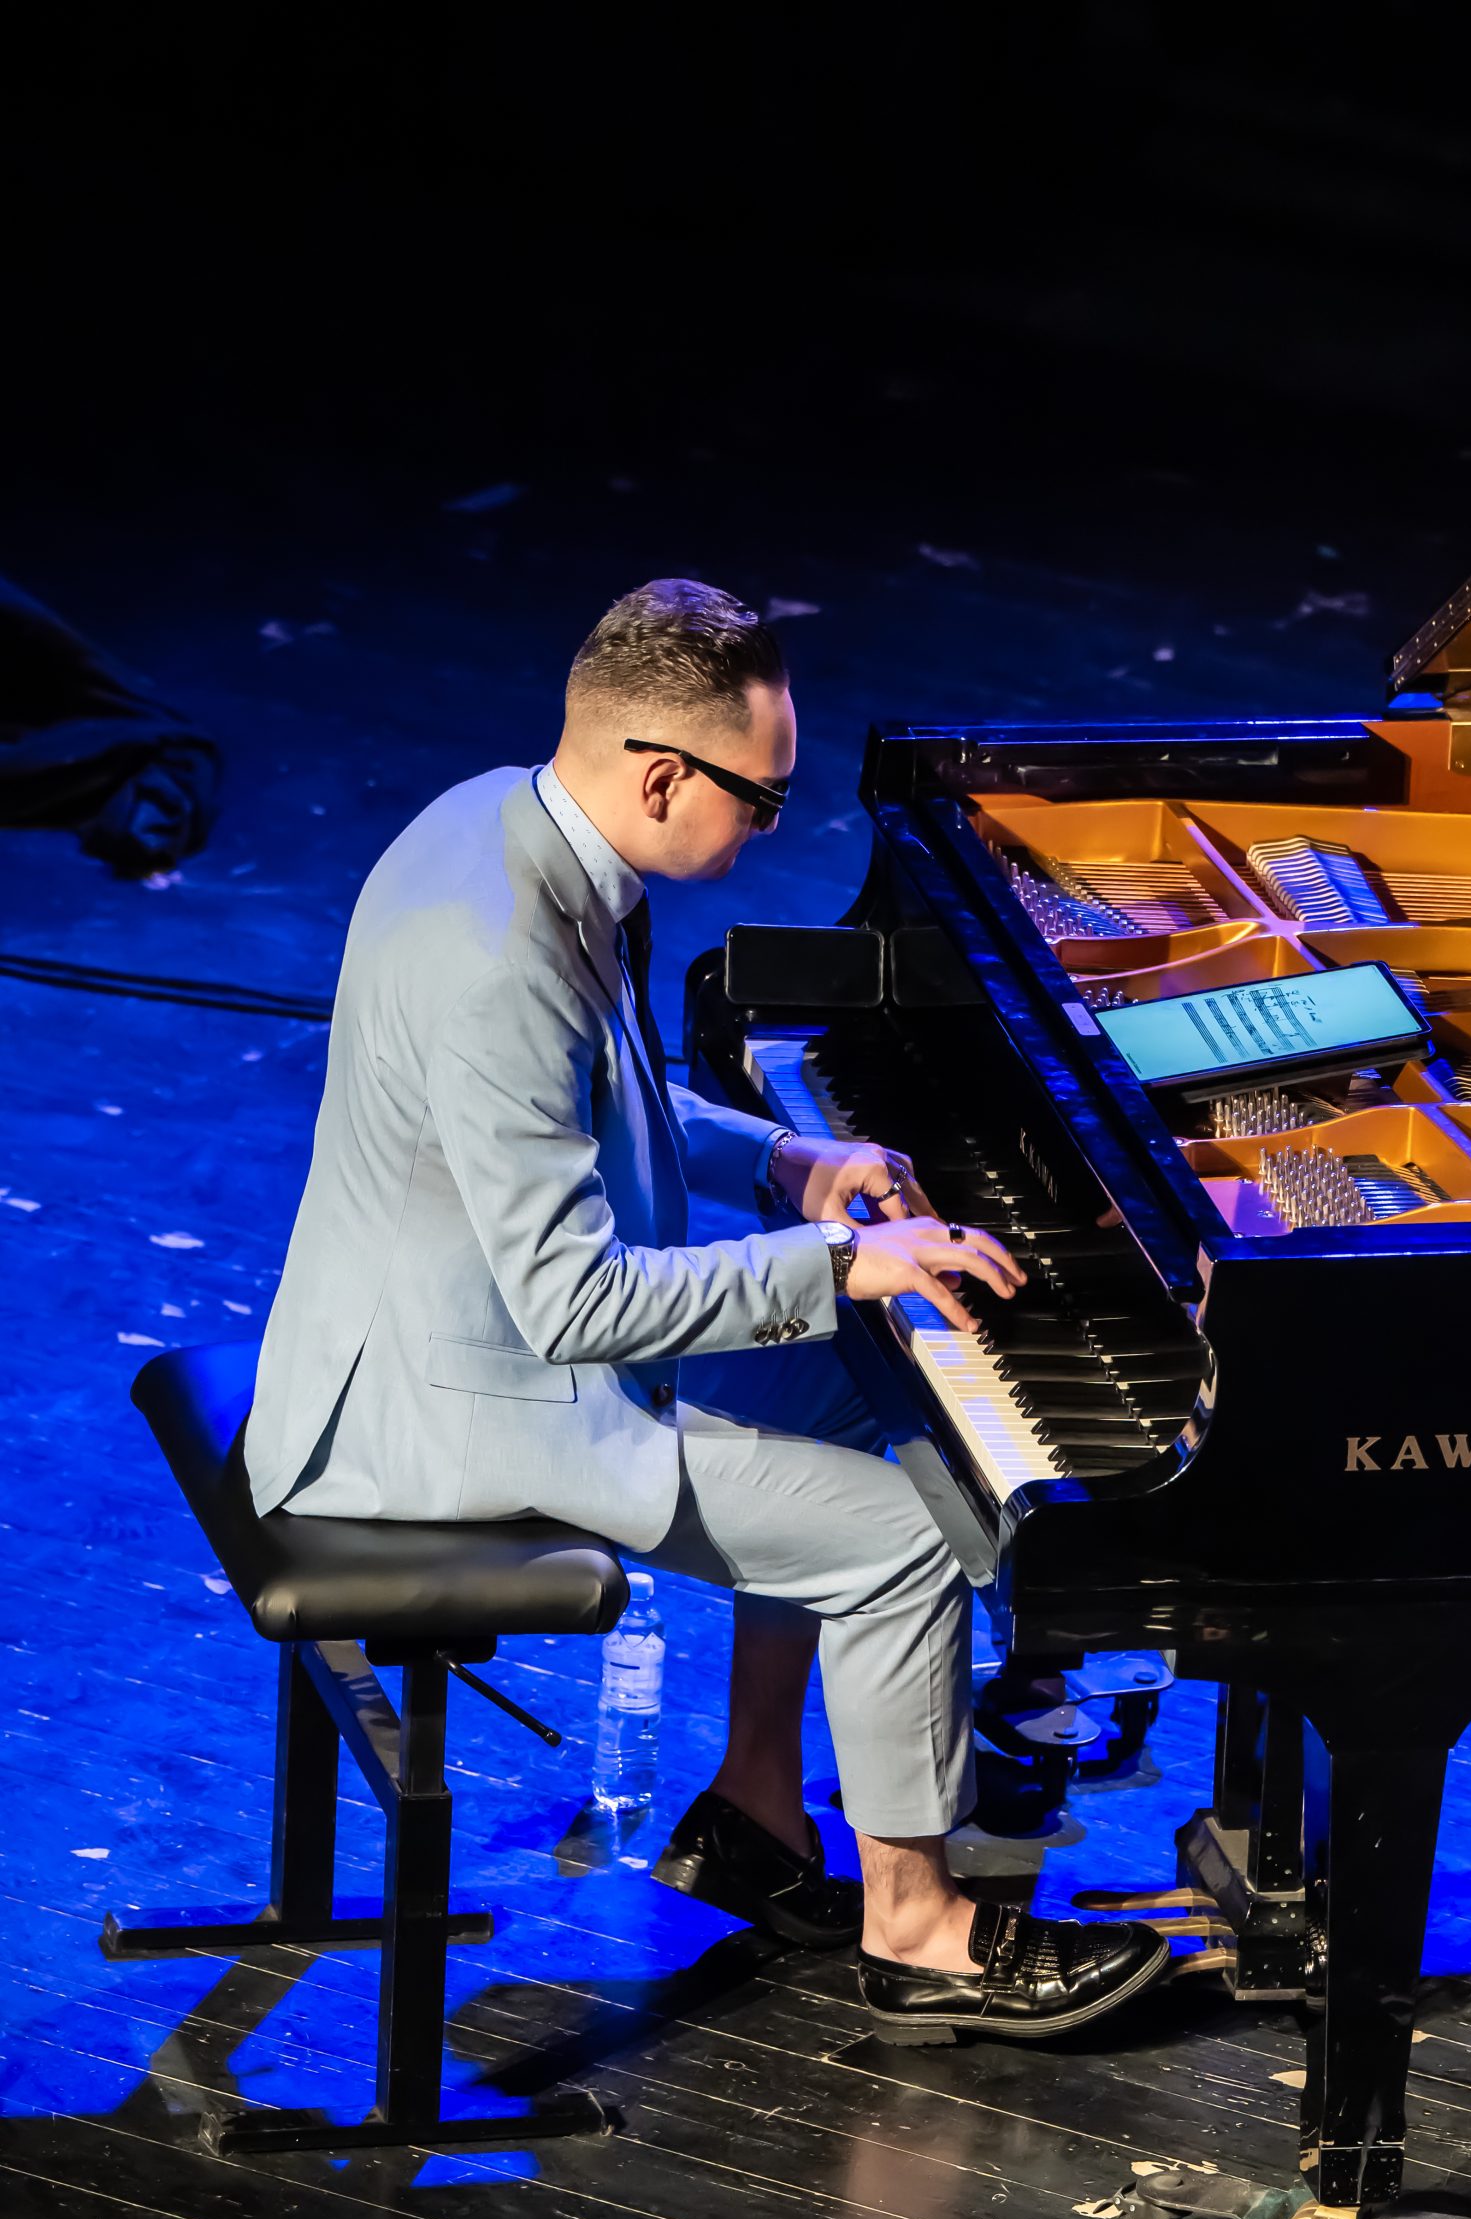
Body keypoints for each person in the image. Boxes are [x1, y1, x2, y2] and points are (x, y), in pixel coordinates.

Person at [246, 579, 1168, 2041]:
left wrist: (787, 1161)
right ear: (663, 775)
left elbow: (595, 1108)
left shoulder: (502, 823)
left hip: (462, 1336)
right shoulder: (500, 955)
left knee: (875, 1390)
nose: (772, 830)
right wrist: (836, 1262)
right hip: (449, 1404)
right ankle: (918, 1929)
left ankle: (756, 1807)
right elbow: (574, 1302)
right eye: (763, 798)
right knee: (906, 1538)